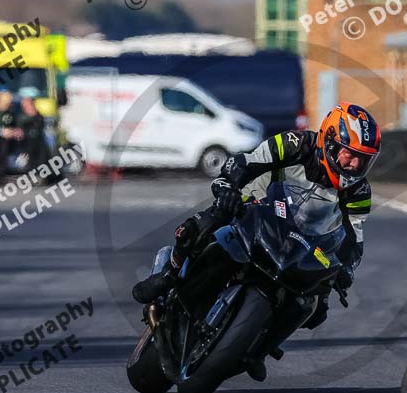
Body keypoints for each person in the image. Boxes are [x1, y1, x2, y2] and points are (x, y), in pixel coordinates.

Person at [132, 102, 382, 373]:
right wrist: (229, 184)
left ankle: (258, 348)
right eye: (351, 154)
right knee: (206, 222)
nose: (356, 164)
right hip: (257, 205)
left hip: (306, 240)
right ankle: (169, 273)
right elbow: (247, 160)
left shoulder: (358, 192)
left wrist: (345, 270)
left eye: (364, 159)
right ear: (330, 142)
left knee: (315, 305)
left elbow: (353, 237)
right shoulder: (295, 143)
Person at [0, 90, 22, 186]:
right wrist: (1, 131)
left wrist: (14, 131)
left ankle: (1, 175)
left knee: (4, 154)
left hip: (9, 139)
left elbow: (16, 124)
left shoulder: (11, 112)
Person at [18, 96, 48, 170]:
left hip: (36, 143)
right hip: (24, 143)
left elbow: (39, 128)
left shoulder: (38, 116)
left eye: (27, 104)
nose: (25, 107)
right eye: (23, 105)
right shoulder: (20, 116)